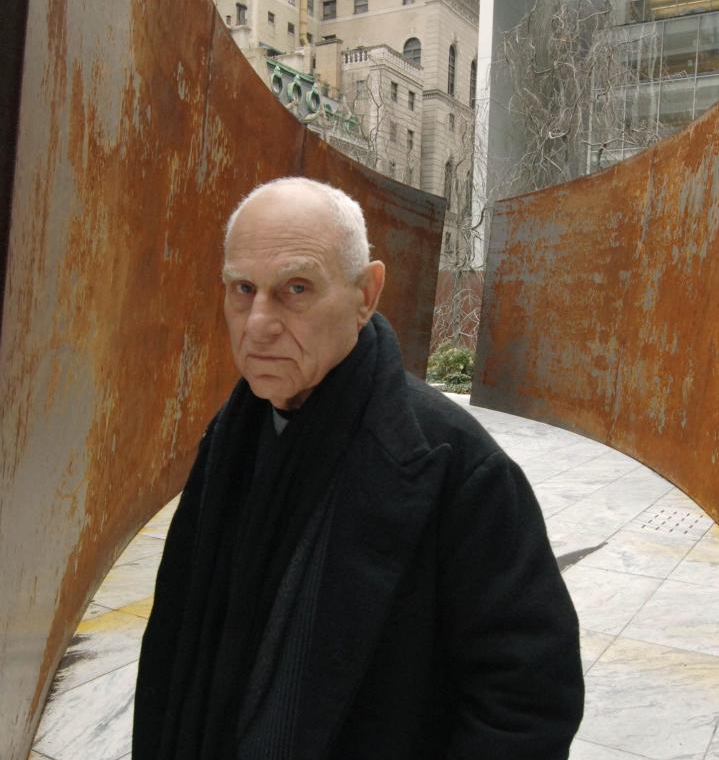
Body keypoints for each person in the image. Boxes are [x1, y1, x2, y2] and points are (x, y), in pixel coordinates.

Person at [133, 177, 583, 759]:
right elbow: (177, 645)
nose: (257, 323)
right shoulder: (231, 435)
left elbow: (526, 700)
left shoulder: (458, 468)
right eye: (242, 288)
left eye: (296, 288)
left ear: (367, 294)